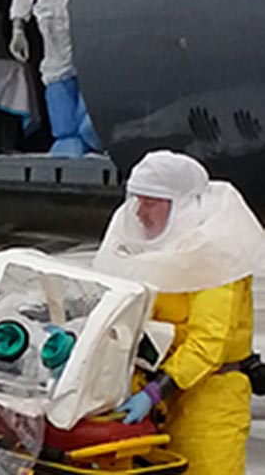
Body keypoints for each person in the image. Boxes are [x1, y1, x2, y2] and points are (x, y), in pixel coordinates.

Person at [93, 150, 265, 474]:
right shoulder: (150, 248)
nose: (140, 213)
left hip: (209, 402)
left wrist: (157, 389)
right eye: (138, 200)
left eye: (151, 203)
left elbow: (208, 342)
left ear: (181, 205)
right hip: (153, 397)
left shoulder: (215, 254)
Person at [8, 0, 101, 157]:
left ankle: (92, 129)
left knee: (89, 70)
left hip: (88, 22)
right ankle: (67, 136)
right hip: (53, 23)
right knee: (58, 74)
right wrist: (18, 24)